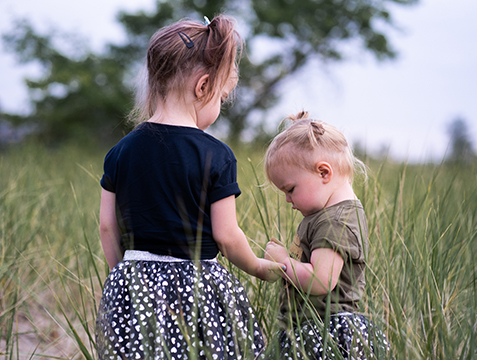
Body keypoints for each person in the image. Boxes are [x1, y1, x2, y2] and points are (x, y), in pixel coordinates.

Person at [95, 15, 281, 360]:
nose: (219, 107)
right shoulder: (217, 154)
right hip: (198, 285)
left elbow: (108, 226)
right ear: (203, 86)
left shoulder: (119, 151)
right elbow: (226, 236)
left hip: (134, 278)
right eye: (222, 98)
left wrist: (125, 278)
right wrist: (256, 266)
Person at [264, 111, 388, 359]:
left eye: (290, 189)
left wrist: (284, 263)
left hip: (327, 331)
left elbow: (321, 279)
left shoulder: (336, 220)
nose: (288, 199)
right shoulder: (325, 215)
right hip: (311, 328)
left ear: (323, 173)